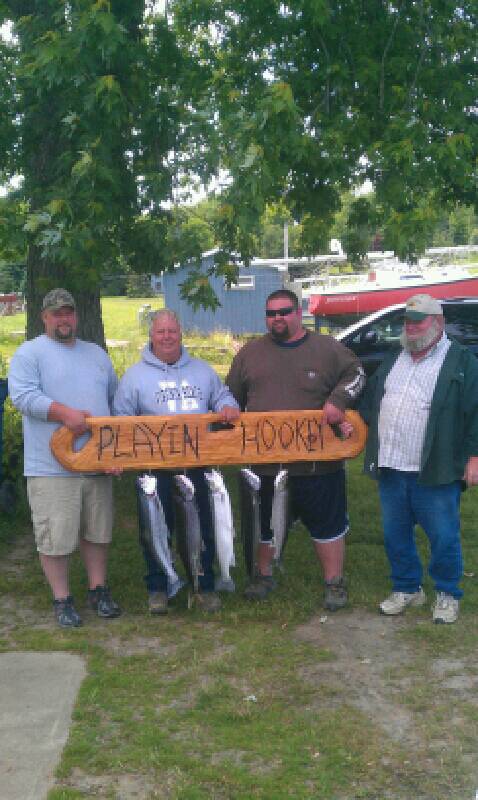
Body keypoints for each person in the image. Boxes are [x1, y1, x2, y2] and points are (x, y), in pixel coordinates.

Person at [226, 288, 365, 608]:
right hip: (265, 463)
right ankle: (263, 575)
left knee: (327, 524)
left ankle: (334, 582)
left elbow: (356, 372)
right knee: (264, 524)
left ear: (299, 313)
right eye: (271, 313)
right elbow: (230, 396)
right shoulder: (249, 353)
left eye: (284, 311)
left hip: (318, 462)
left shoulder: (327, 348)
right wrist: (226, 409)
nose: (277, 318)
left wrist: (338, 400)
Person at [358, 293, 478, 624]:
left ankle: (447, 594)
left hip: (435, 466)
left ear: (438, 322)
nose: (410, 327)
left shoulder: (461, 361)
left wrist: (474, 456)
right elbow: (372, 399)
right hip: (391, 463)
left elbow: (475, 413)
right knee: (395, 534)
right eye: (407, 321)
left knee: (443, 535)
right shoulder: (395, 357)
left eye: (418, 321)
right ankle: (407, 587)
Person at [113, 309, 240, 614]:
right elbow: (119, 420)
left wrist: (227, 406)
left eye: (172, 331)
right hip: (154, 471)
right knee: (155, 530)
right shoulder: (134, 377)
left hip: (198, 467)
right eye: (161, 331)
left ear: (180, 334)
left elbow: (223, 397)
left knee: (203, 529)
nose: (167, 337)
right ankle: (158, 587)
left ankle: (204, 585)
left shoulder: (203, 371)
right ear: (151, 335)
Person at [8, 288, 121, 628]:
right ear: (44, 316)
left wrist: (116, 453)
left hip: (96, 462)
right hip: (51, 468)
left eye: (68, 312)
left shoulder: (96, 354)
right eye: (56, 313)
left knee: (97, 532)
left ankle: (98, 590)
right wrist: (64, 413)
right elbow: (23, 396)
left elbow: (114, 403)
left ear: (76, 315)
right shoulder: (30, 353)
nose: (63, 318)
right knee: (55, 537)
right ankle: (62, 599)